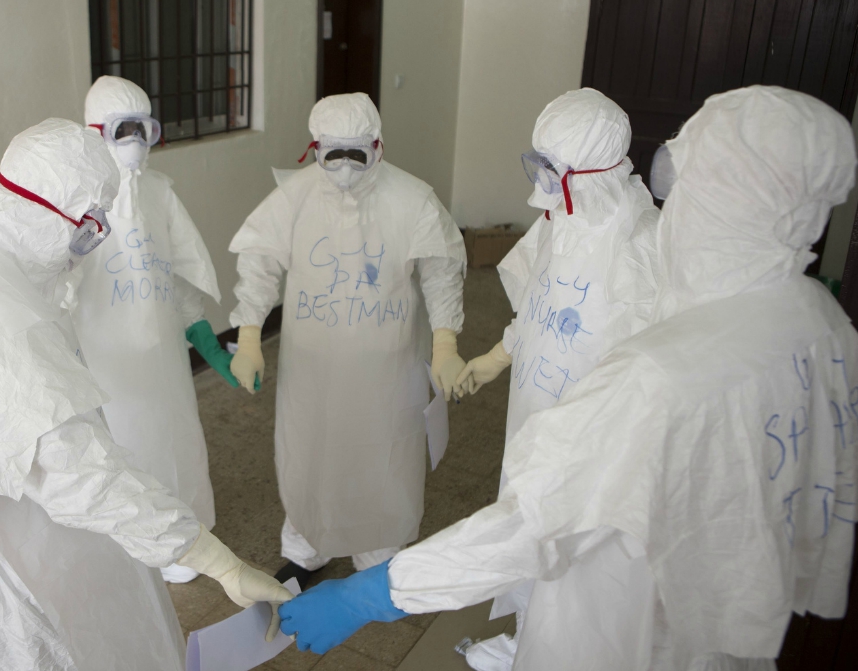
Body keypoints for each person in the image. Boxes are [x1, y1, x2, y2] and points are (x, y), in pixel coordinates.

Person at [278, 86, 858, 671]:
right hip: (715, 592)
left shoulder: (660, 367)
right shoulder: (824, 324)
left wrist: (380, 592)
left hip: (624, 617)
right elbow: (541, 304)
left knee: (576, 593)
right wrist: (499, 356)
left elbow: (539, 521)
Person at [0, 119, 292, 671]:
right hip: (47, 541)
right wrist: (218, 561)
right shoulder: (8, 327)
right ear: (42, 211)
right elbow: (82, 479)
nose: (90, 245)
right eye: (87, 228)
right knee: (81, 647)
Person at [453, 89, 659, 670]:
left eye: (552, 171)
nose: (538, 186)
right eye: (537, 165)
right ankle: (526, 638)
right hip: (534, 412)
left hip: (597, 438)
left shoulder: (643, 247)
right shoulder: (560, 220)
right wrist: (498, 355)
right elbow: (539, 308)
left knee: (580, 548)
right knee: (529, 522)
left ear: (591, 172)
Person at [227, 92, 467, 585]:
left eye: (355, 155)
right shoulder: (295, 197)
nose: (343, 169)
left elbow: (443, 273)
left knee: (382, 449)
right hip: (311, 365)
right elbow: (259, 261)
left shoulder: (412, 198)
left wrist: (446, 342)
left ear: (377, 146)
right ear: (314, 148)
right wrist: (249, 333)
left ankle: (378, 544)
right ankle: (306, 541)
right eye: (331, 155)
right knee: (310, 447)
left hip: (388, 367)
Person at [73, 75, 230, 583]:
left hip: (163, 361)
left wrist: (203, 335)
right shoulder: (71, 203)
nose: (135, 141)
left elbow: (175, 274)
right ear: (95, 132)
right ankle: (125, 547)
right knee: (119, 446)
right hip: (104, 361)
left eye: (143, 128)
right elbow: (50, 288)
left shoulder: (159, 194)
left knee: (173, 442)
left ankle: (180, 541)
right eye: (123, 129)